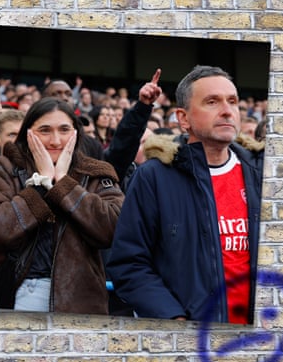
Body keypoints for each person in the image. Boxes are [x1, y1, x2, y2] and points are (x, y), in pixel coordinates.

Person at [107, 65, 263, 324]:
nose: (227, 110)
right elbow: (129, 264)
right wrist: (173, 317)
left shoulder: (261, 171)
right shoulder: (153, 178)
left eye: (232, 101)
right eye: (212, 102)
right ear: (183, 118)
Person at [0, 97, 125, 314]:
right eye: (45, 130)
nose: (56, 140)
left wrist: (64, 184)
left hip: (81, 295)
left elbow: (113, 228)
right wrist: (41, 184)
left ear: (76, 132)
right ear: (28, 132)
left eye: (64, 129)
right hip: (21, 288)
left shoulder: (95, 172)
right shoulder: (4, 167)